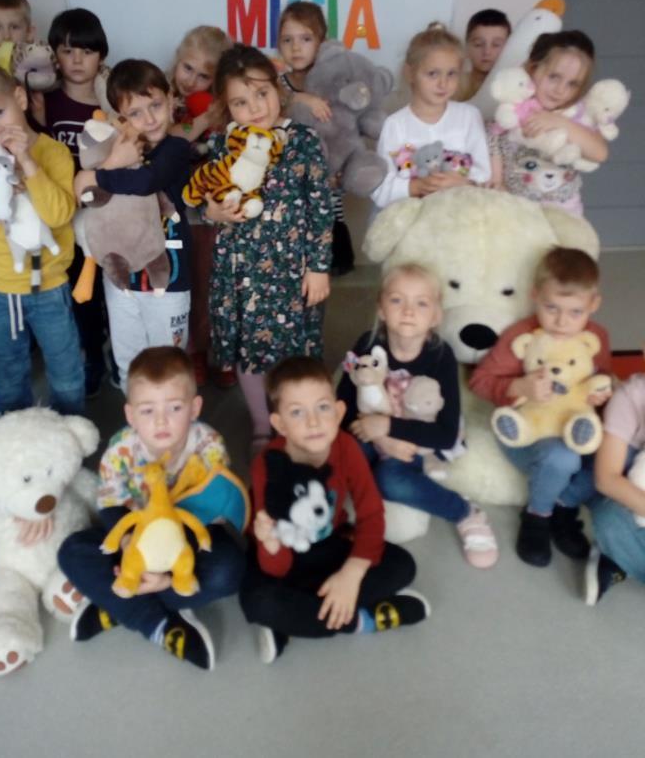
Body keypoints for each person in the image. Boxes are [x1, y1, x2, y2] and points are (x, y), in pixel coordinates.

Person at [58, 346, 245, 671]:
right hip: (133, 541)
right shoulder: (121, 449)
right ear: (131, 415)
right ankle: (158, 625)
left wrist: (167, 574)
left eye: (175, 407)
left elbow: (212, 516)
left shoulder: (209, 447)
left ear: (194, 408)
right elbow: (111, 503)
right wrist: (130, 543)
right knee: (71, 552)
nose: (161, 421)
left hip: (187, 544)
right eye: (147, 411)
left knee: (230, 569)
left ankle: (119, 604)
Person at [239, 356, 429, 663]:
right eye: (297, 412)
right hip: (283, 555)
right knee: (259, 602)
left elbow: (370, 514)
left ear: (339, 412)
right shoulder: (267, 465)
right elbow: (274, 566)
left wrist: (351, 575)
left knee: (403, 564)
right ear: (279, 425)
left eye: (323, 408)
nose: (314, 422)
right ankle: (361, 620)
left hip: (330, 544)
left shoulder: (345, 447)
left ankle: (297, 620)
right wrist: (271, 542)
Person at [202, 44, 333, 450]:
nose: (255, 107)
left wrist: (318, 267)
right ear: (227, 106)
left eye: (262, 94)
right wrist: (213, 212)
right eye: (240, 102)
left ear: (278, 88)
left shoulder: (303, 140)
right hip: (243, 271)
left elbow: (321, 209)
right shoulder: (223, 144)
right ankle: (263, 422)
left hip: (294, 270)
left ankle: (297, 422)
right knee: (250, 352)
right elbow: (209, 198)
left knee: (296, 353)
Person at [340, 264, 498, 569]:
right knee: (345, 452)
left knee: (390, 480)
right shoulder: (367, 345)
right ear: (381, 308)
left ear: (436, 315)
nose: (408, 311)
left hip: (415, 441)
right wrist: (382, 438)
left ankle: (465, 512)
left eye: (421, 303)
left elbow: (446, 434)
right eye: (397, 300)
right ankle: (339, 520)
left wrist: (388, 428)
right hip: (371, 432)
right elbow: (342, 406)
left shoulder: (440, 356)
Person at [0, 62, 84, 414]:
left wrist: (26, 161)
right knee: (8, 371)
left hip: (49, 283)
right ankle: (16, 433)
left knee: (66, 368)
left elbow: (59, 215)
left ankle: (74, 430)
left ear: (20, 99)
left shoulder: (52, 152)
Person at [470, 247, 613, 567]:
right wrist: (518, 387)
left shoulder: (597, 337)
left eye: (575, 312)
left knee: (615, 453)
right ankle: (537, 516)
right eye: (551, 308)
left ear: (593, 304)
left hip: (575, 429)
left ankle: (564, 506)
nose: (562, 321)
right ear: (535, 296)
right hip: (527, 433)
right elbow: (479, 381)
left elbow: (602, 378)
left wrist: (600, 395)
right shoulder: (521, 335)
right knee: (562, 457)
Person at [73, 59, 193, 393]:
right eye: (136, 113)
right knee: (128, 360)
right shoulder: (114, 151)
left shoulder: (176, 148)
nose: (150, 118)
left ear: (171, 100)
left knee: (169, 363)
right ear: (121, 119)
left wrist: (97, 175)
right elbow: (83, 196)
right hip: (122, 279)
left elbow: (146, 181)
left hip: (168, 280)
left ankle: (174, 416)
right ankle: (137, 417)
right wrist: (110, 164)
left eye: (155, 105)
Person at [33, 7, 111, 397]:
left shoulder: (111, 101)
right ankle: (91, 356)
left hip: (104, 216)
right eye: (67, 51)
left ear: (101, 55)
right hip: (62, 219)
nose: (77, 60)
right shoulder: (45, 102)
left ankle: (111, 350)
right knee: (79, 295)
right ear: (54, 57)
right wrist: (37, 117)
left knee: (110, 289)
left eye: (86, 51)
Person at [168, 25, 232, 388]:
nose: (191, 80)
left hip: (213, 213)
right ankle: (192, 352)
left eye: (203, 75)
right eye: (187, 68)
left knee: (216, 283)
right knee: (186, 282)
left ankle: (221, 351)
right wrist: (201, 120)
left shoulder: (224, 106)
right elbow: (169, 140)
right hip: (176, 211)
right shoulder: (163, 98)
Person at [371, 23, 491, 210]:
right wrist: (415, 186)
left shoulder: (469, 116)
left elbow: (484, 175)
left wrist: (462, 182)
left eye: (451, 73)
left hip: (460, 213)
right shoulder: (395, 124)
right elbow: (380, 189)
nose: (443, 83)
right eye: (433, 74)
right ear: (410, 73)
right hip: (411, 218)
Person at [488, 30, 608, 216]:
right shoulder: (512, 110)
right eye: (554, 77)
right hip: (517, 213)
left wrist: (560, 122)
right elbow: (493, 144)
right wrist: (498, 183)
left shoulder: (576, 116)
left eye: (572, 84)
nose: (560, 90)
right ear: (532, 68)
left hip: (565, 216)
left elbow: (599, 153)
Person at [276, 0, 355, 277]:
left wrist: (341, 168)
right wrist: (302, 98)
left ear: (321, 43)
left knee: (330, 211)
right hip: (291, 180)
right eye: (288, 40)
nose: (296, 48)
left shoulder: (331, 82)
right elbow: (273, 106)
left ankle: (332, 260)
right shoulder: (278, 84)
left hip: (328, 173)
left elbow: (345, 128)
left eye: (305, 39)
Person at [586, 370, 645, 604]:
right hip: (634, 498)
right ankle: (620, 555)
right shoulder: (631, 396)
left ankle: (619, 559)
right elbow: (606, 478)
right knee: (609, 519)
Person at [456, 8, 511, 101]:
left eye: (496, 45)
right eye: (478, 44)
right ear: (467, 46)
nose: (487, 52)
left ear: (509, 47)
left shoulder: (515, 88)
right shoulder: (454, 85)